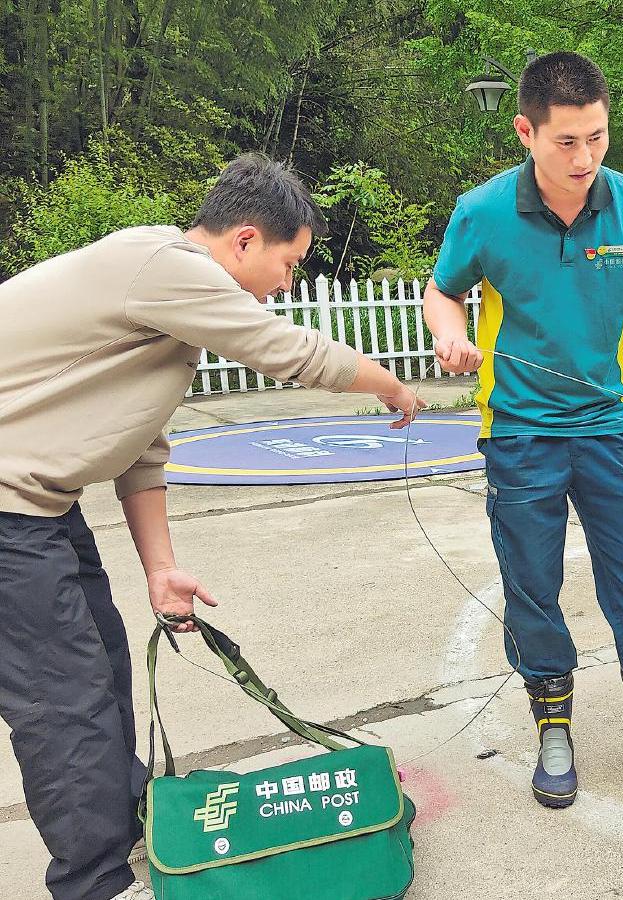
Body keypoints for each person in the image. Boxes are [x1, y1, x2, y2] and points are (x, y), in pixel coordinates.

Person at [0, 153, 425, 900]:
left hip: (39, 505)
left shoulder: (169, 304)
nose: (286, 285)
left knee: (104, 663)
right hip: (11, 510)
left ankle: (124, 820)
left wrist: (160, 570)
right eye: (288, 264)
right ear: (245, 240)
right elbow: (291, 353)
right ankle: (94, 883)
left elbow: (142, 451)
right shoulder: (168, 267)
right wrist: (390, 384)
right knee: (64, 701)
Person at [423, 51, 623, 809]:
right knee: (533, 585)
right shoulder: (483, 212)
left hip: (610, 428)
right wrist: (449, 334)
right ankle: (554, 728)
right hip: (519, 433)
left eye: (597, 136)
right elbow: (442, 292)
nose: (585, 157)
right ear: (526, 132)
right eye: (566, 141)